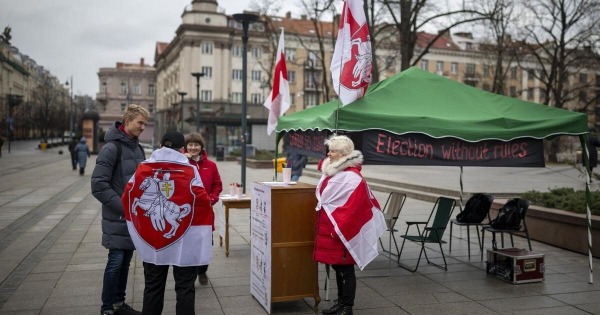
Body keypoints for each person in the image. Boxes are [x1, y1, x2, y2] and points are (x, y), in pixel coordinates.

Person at [122, 131, 213, 315]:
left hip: (154, 240)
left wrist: (140, 224)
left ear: (160, 147)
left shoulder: (143, 168)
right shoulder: (189, 169)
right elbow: (203, 201)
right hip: (185, 240)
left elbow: (128, 196)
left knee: (153, 287)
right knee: (185, 288)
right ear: (182, 149)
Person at [313, 135, 385, 315]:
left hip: (340, 229)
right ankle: (341, 303)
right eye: (329, 149)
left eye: (333, 150)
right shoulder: (334, 171)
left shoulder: (352, 177)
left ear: (344, 153)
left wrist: (340, 229)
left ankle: (347, 307)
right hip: (330, 226)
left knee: (345, 268)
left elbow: (354, 208)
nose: (328, 153)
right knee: (338, 267)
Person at [92, 104, 149, 315]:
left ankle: (118, 304)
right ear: (127, 122)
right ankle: (107, 308)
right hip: (118, 216)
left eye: (145, 123)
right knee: (115, 262)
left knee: (125, 263)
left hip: (133, 219)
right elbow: (98, 186)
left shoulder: (138, 148)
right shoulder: (111, 148)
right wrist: (125, 207)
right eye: (139, 123)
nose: (143, 127)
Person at [184, 133, 223, 285]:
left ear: (201, 147)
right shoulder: (181, 163)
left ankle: (202, 270)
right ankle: (191, 273)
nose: (193, 148)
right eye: (190, 144)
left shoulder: (211, 165)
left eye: (196, 145)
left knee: (206, 244)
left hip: (205, 211)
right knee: (190, 245)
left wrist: (212, 199)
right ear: (185, 146)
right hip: (187, 212)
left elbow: (217, 185)